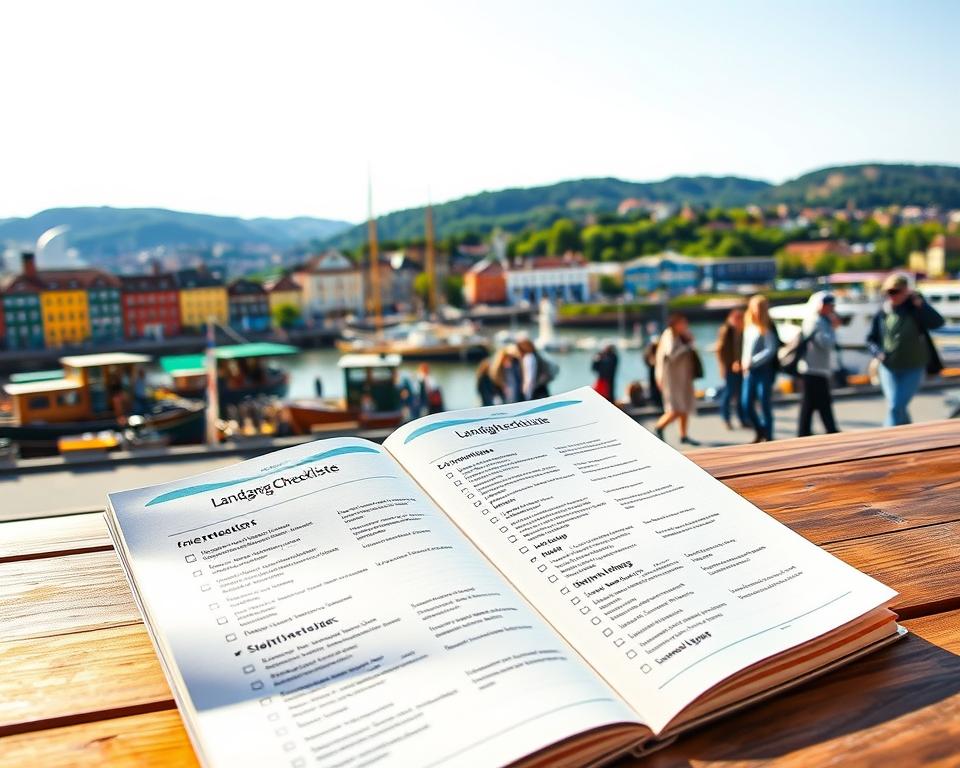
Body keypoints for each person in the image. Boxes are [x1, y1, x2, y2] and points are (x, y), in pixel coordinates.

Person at [867, 272, 944, 426]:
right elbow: (871, 339)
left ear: (906, 291)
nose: (892, 296)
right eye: (889, 292)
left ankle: (888, 437)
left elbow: (937, 323)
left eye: (896, 291)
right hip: (889, 366)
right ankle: (907, 432)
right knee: (896, 406)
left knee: (896, 406)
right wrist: (878, 353)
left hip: (913, 367)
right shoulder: (883, 311)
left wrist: (921, 305)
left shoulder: (915, 308)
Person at [797, 291, 840, 436]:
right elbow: (826, 343)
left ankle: (811, 431)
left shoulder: (820, 320)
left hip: (817, 368)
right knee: (813, 403)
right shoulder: (816, 321)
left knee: (815, 403)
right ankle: (820, 430)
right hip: (812, 368)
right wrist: (833, 329)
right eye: (828, 305)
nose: (831, 308)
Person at [653, 313, 699, 445]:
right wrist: (687, 346)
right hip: (672, 378)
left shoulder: (681, 334)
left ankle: (683, 435)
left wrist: (689, 341)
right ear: (675, 324)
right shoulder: (669, 335)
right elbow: (671, 353)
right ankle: (659, 427)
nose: (685, 325)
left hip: (684, 376)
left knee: (684, 406)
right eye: (683, 323)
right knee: (675, 408)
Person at [741, 294, 779, 443]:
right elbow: (746, 348)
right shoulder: (749, 326)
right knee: (746, 404)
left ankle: (768, 436)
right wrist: (744, 363)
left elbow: (771, 349)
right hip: (749, 371)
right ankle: (760, 430)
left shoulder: (768, 327)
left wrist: (753, 361)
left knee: (764, 404)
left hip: (764, 370)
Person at [715, 308, 746, 430]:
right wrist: (722, 367)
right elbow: (719, 349)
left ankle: (742, 418)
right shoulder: (726, 330)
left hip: (740, 366)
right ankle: (726, 418)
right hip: (729, 366)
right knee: (728, 392)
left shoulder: (742, 330)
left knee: (740, 393)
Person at [643, 336, 663, 412]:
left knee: (655, 386)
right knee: (654, 386)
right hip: (654, 370)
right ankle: (656, 400)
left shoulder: (650, 349)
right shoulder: (653, 350)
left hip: (654, 370)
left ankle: (656, 400)